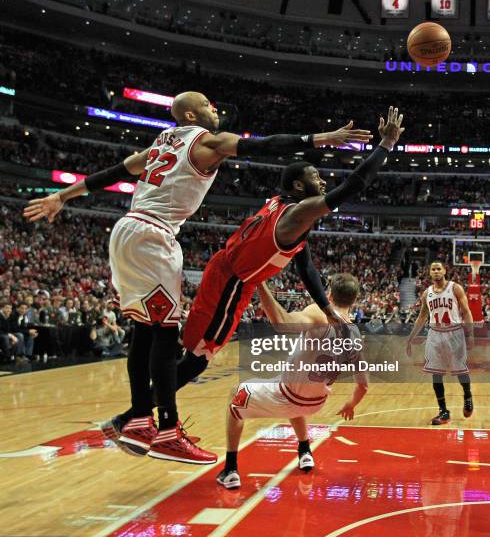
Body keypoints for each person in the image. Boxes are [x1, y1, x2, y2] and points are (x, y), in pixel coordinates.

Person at [24, 90, 371, 464]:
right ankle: (165, 429)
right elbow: (266, 146)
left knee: (146, 331)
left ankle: (139, 419)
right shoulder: (206, 141)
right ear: (190, 115)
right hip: (155, 235)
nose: (215, 109)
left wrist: (65, 195)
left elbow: (117, 172)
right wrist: (324, 138)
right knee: (162, 334)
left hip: (126, 230)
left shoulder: (160, 143)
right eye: (207, 105)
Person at [107, 106, 403, 446]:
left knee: (187, 352)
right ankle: (139, 420)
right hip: (232, 283)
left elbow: (305, 266)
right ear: (297, 184)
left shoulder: (280, 206)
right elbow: (354, 185)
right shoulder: (299, 213)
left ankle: (135, 417)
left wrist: (326, 309)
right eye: (315, 177)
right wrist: (386, 146)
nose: (322, 182)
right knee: (196, 358)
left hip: (227, 276)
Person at [216, 275, 368, 489]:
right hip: (317, 402)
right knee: (294, 395)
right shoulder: (354, 333)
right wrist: (350, 405)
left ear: (329, 294)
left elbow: (281, 322)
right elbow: (363, 385)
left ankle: (230, 469)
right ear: (354, 300)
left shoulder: (319, 312)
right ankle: (305, 450)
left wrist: (259, 283)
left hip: (286, 396)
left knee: (235, 397)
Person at [406, 262, 474, 425]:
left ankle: (467, 396)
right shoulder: (426, 294)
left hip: (454, 332)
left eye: (439, 268)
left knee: (460, 371)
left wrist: (470, 334)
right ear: (430, 272)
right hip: (435, 334)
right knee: (436, 374)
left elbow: (466, 311)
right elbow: (422, 317)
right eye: (433, 269)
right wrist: (410, 338)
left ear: (444, 271)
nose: (436, 271)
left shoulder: (455, 288)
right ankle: (443, 411)